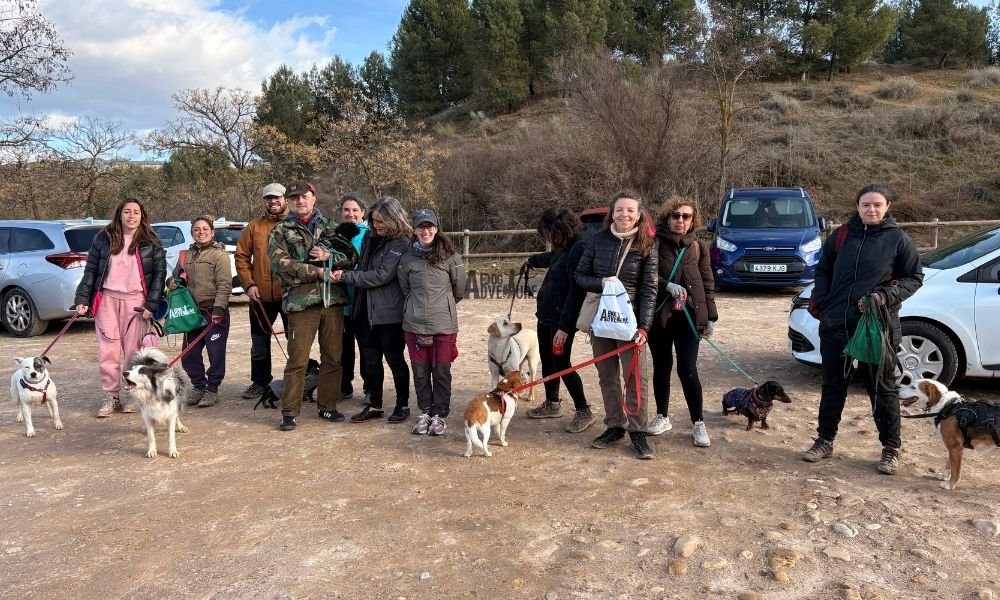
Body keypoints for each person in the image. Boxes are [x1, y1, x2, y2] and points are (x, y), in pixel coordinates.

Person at [802, 183, 923, 475]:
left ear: (887, 207)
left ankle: (891, 449)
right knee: (833, 386)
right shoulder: (842, 235)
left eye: (877, 205)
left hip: (876, 327)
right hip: (836, 324)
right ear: (857, 207)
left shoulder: (897, 239)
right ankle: (825, 440)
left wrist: (884, 295)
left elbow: (914, 277)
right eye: (865, 205)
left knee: (881, 388)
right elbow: (823, 269)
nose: (871, 210)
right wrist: (826, 300)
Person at [268, 180, 359, 431]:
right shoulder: (280, 230)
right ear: (288, 201)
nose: (300, 201)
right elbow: (280, 265)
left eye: (304, 196)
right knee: (297, 359)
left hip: (333, 301)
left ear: (313, 198)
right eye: (294, 197)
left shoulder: (332, 227)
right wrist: (317, 272)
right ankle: (289, 411)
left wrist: (331, 257)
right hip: (301, 303)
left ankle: (328, 406)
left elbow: (351, 257)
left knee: (333, 357)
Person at [575, 191, 658, 459]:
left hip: (630, 323)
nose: (625, 215)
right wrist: (601, 282)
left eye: (630, 210)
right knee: (607, 376)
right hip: (601, 321)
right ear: (612, 213)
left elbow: (649, 289)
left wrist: (644, 327)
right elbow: (579, 275)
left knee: (636, 378)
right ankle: (614, 426)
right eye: (620, 210)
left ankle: (638, 432)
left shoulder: (646, 244)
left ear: (639, 215)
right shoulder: (597, 240)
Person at [74, 198, 167, 418]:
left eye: (136, 212)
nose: (131, 216)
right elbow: (91, 271)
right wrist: (82, 298)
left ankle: (133, 396)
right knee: (108, 350)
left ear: (142, 216)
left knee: (133, 352)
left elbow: (159, 276)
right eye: (127, 212)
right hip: (107, 299)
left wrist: (151, 305)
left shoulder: (152, 241)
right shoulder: (103, 238)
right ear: (120, 214)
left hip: (136, 303)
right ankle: (111, 396)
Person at [333, 196, 412, 424]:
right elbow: (358, 262)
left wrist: (346, 277)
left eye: (381, 221)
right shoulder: (368, 236)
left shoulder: (402, 243)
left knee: (394, 359)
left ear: (393, 219)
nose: (376, 225)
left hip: (390, 313)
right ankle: (375, 404)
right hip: (363, 309)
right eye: (374, 221)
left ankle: (402, 404)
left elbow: (382, 275)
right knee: (370, 361)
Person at [647, 197, 718, 447]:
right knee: (662, 368)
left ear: (692, 220)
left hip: (690, 319)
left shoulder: (699, 247)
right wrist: (668, 285)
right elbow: (647, 276)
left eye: (686, 216)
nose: (680, 220)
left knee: (688, 370)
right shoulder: (653, 244)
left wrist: (711, 316)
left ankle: (698, 422)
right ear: (667, 217)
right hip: (661, 318)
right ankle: (662, 416)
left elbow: (708, 283)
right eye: (675, 215)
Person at [523, 208, 595, 433]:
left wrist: (565, 327)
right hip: (547, 313)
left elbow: (576, 291)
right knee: (547, 360)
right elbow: (554, 258)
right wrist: (532, 260)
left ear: (558, 229)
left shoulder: (580, 246)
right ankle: (552, 402)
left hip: (562, 318)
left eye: (547, 233)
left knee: (562, 363)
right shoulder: (564, 243)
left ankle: (584, 410)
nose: (547, 238)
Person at [398, 208, 467, 436]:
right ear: (415, 230)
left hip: (444, 326)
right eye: (421, 227)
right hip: (414, 325)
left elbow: (459, 290)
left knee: (441, 371)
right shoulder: (407, 259)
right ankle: (425, 411)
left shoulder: (451, 258)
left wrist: (441, 308)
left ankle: (440, 414)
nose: (425, 231)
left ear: (436, 229)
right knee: (420, 371)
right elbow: (405, 289)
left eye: (429, 226)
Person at [165, 216, 233, 408]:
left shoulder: (219, 256)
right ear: (192, 233)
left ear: (212, 232)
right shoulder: (186, 255)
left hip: (214, 312)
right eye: (197, 229)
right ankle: (198, 386)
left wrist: (219, 309)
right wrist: (170, 282)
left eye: (205, 229)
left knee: (215, 353)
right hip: (191, 313)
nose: (201, 232)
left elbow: (225, 284)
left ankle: (212, 389)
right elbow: (175, 277)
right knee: (189, 354)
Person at [235, 182, 289, 401]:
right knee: (259, 342)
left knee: (295, 343)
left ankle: (296, 382)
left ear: (285, 198)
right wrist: (249, 285)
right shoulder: (254, 226)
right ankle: (260, 382)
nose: (273, 201)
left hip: (290, 294)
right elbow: (241, 256)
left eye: (276, 197)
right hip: (260, 295)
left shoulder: (295, 223)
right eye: (269, 198)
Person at [338, 192, 370, 403]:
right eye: (346, 210)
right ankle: (343, 385)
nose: (351, 214)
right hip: (340, 300)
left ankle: (370, 387)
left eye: (355, 210)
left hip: (363, 299)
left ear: (362, 213)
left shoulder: (370, 235)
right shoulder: (336, 233)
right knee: (342, 347)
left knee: (367, 347)